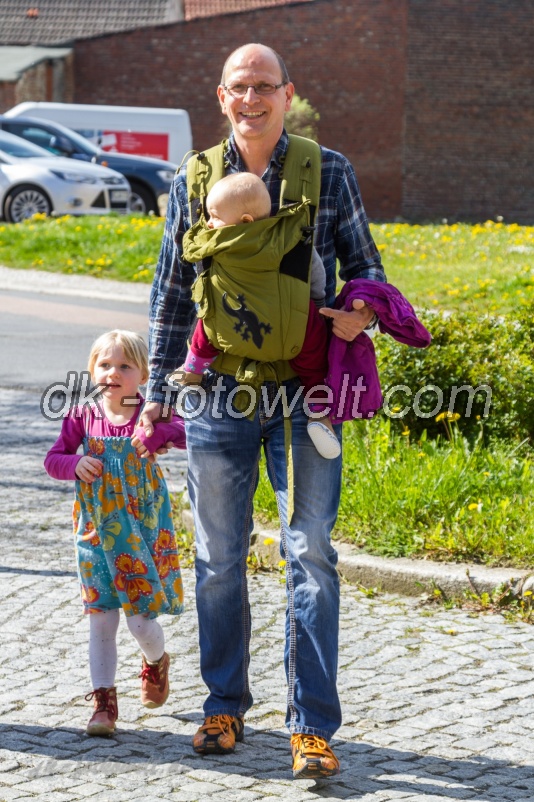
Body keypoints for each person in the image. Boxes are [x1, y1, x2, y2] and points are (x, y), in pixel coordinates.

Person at [140, 43, 386, 779]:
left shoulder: (328, 170)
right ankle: (225, 705)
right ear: (221, 98)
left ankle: (311, 726)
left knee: (310, 552)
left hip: (306, 393)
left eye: (264, 87)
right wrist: (155, 391)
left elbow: (366, 268)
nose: (252, 98)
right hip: (220, 397)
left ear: (288, 93)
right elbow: (172, 292)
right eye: (239, 88)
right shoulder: (195, 179)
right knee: (218, 558)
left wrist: (360, 311)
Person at [44, 329, 186, 737]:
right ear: (92, 370)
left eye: (124, 366)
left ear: (142, 374)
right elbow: (53, 459)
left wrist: (158, 434)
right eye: (105, 365)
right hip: (95, 533)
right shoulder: (81, 416)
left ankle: (156, 662)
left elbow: (186, 434)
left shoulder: (149, 412)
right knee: (101, 620)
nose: (113, 373)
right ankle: (104, 702)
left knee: (141, 623)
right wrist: (74, 465)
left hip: (141, 531)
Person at [169, 170, 340, 460]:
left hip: (232, 325)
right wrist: (315, 302)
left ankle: (193, 372)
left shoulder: (217, 242)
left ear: (245, 221)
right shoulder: (287, 235)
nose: (210, 222)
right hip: (291, 329)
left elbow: (191, 263)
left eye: (215, 216)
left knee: (206, 327)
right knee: (313, 360)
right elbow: (316, 274)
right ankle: (319, 413)